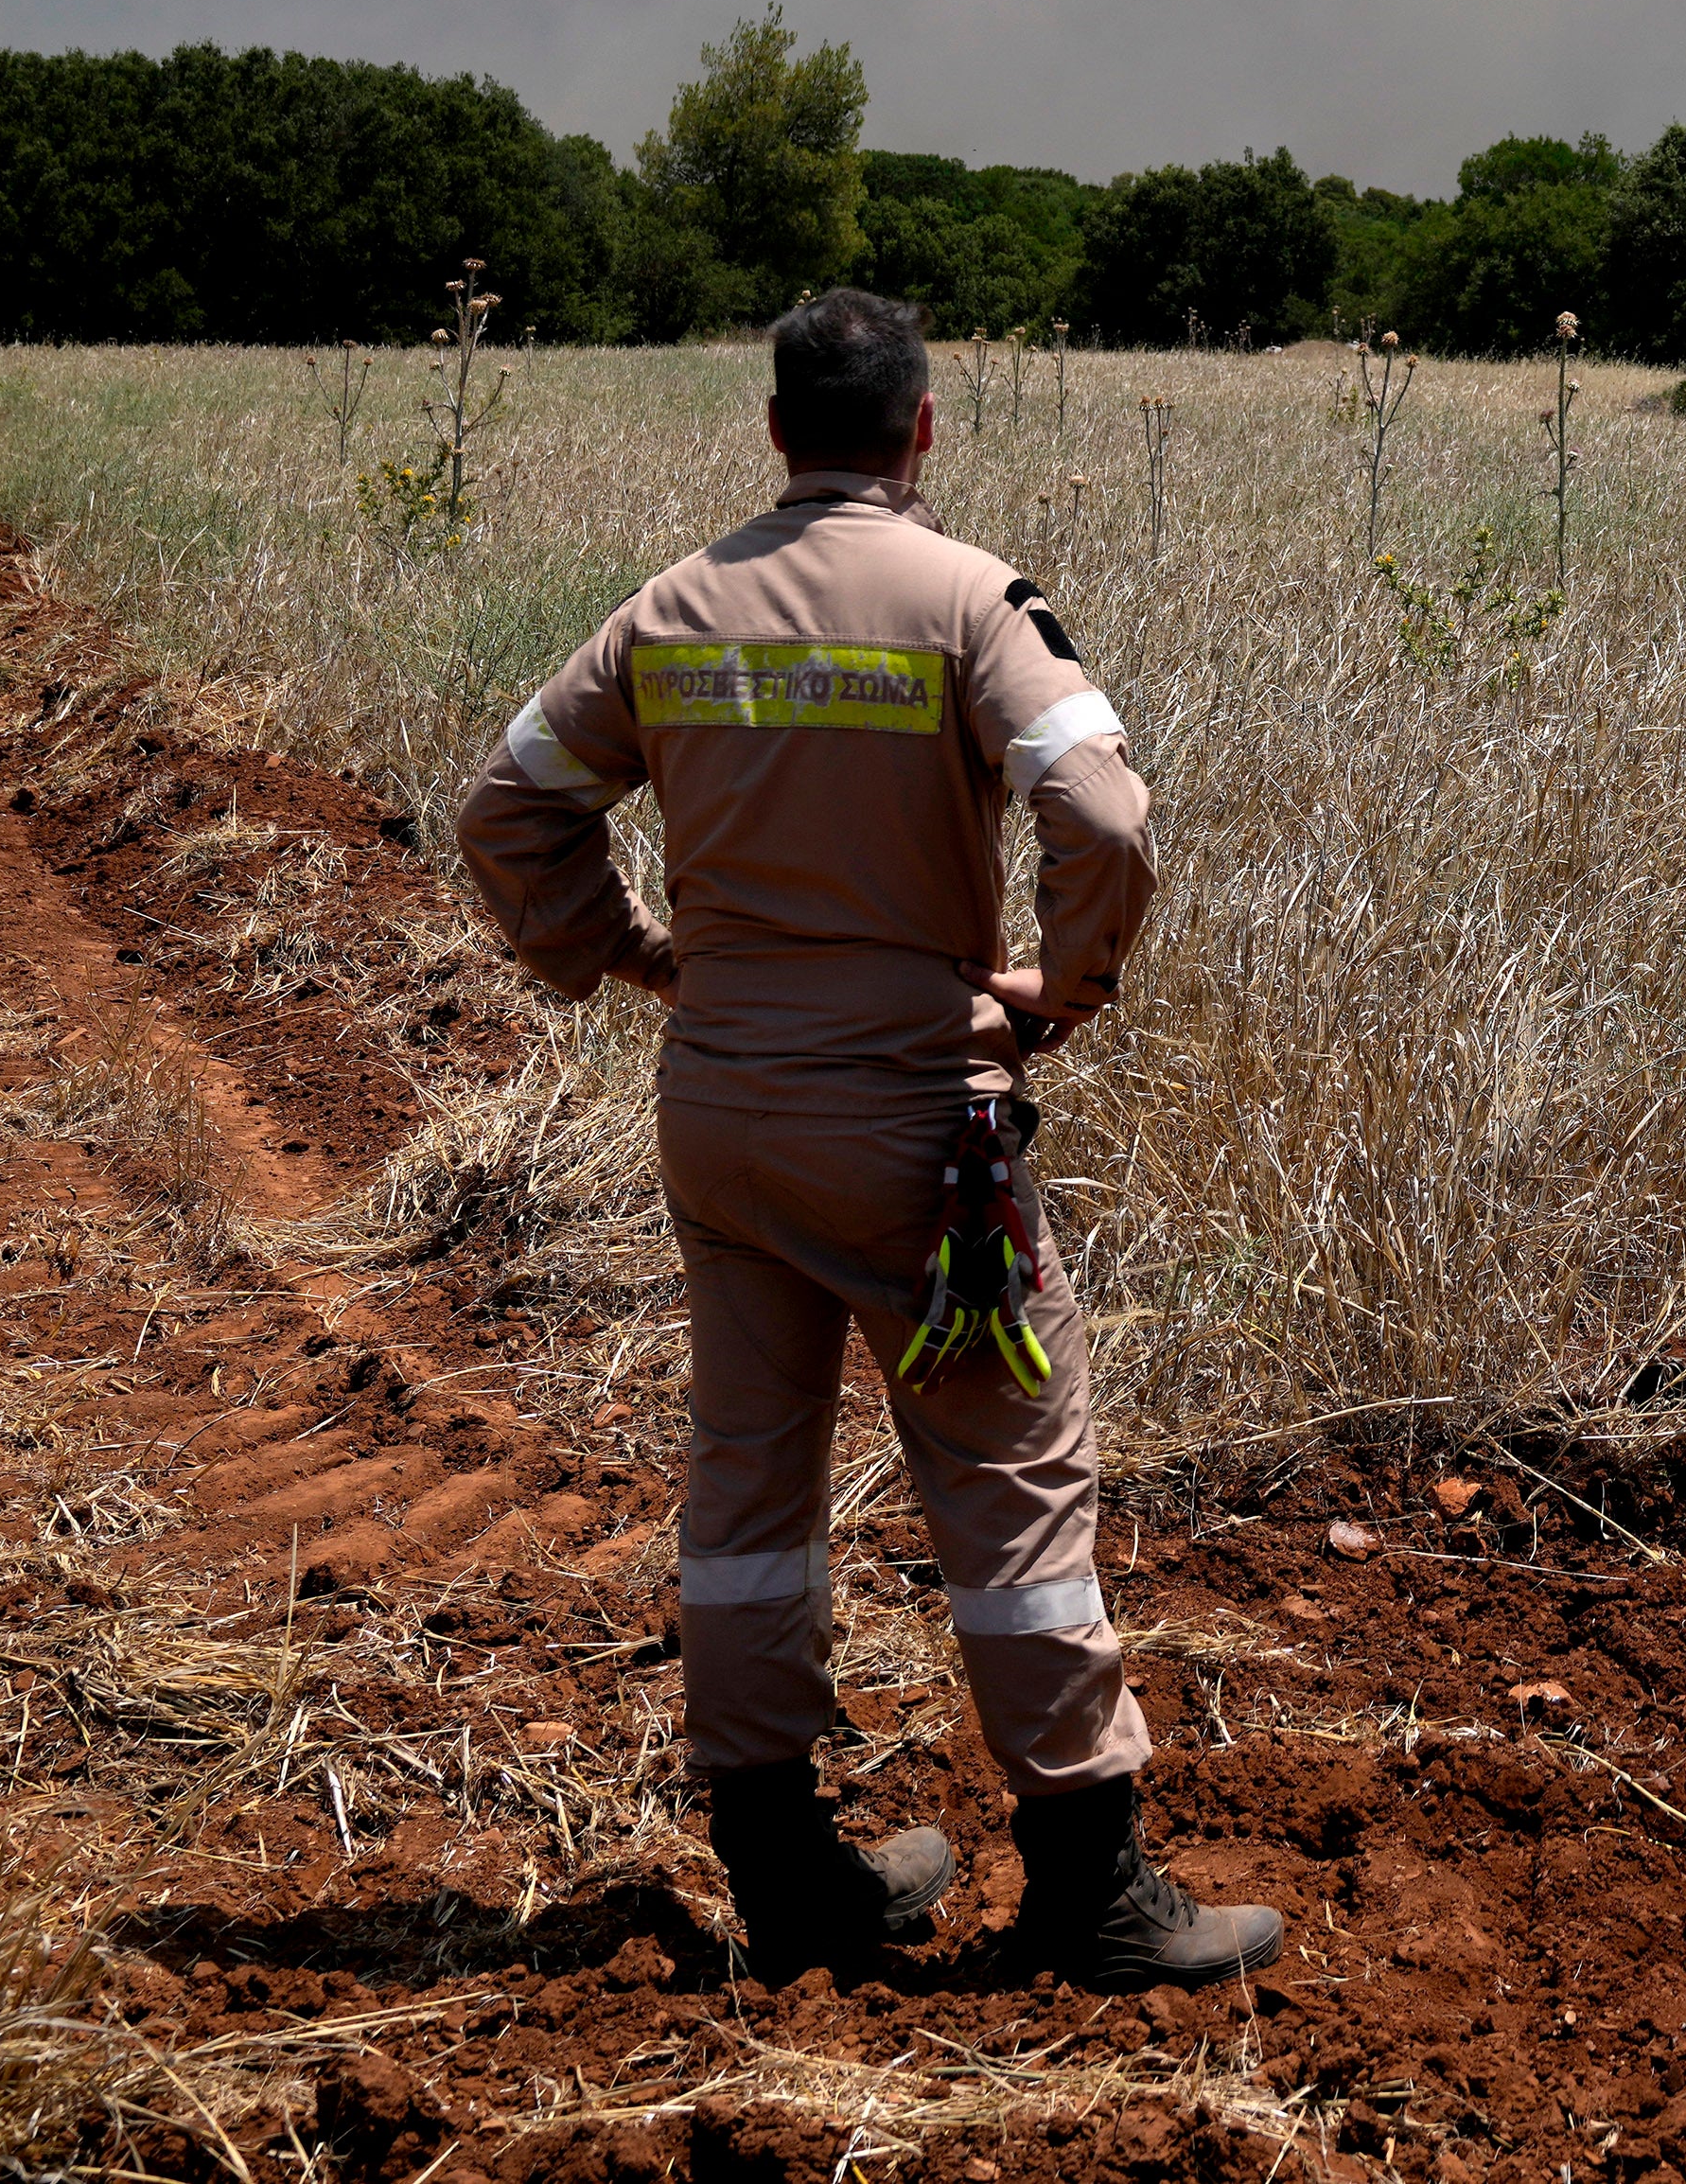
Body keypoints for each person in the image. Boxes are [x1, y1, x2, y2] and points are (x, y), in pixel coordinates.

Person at [455, 288, 1281, 1988]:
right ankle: (1093, 1888)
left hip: (720, 1117)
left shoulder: (670, 612)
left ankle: (784, 1874)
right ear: (923, 431)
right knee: (1012, 1474)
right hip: (913, 1132)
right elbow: (1103, 807)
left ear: (774, 431)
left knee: (750, 1475)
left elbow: (506, 806)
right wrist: (1064, 988)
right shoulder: (968, 598)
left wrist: (621, 956)